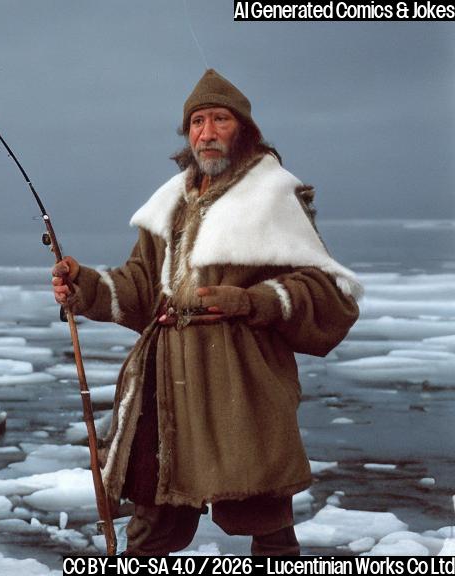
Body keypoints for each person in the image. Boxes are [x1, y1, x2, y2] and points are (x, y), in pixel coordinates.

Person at [51, 69, 361, 556]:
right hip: (166, 386)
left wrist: (253, 301)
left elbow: (329, 293)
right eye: (197, 121)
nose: (207, 132)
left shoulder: (272, 198)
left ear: (243, 130)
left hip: (240, 386)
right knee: (151, 525)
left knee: (265, 525)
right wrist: (83, 284)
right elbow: (139, 287)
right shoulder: (172, 203)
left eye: (220, 119)